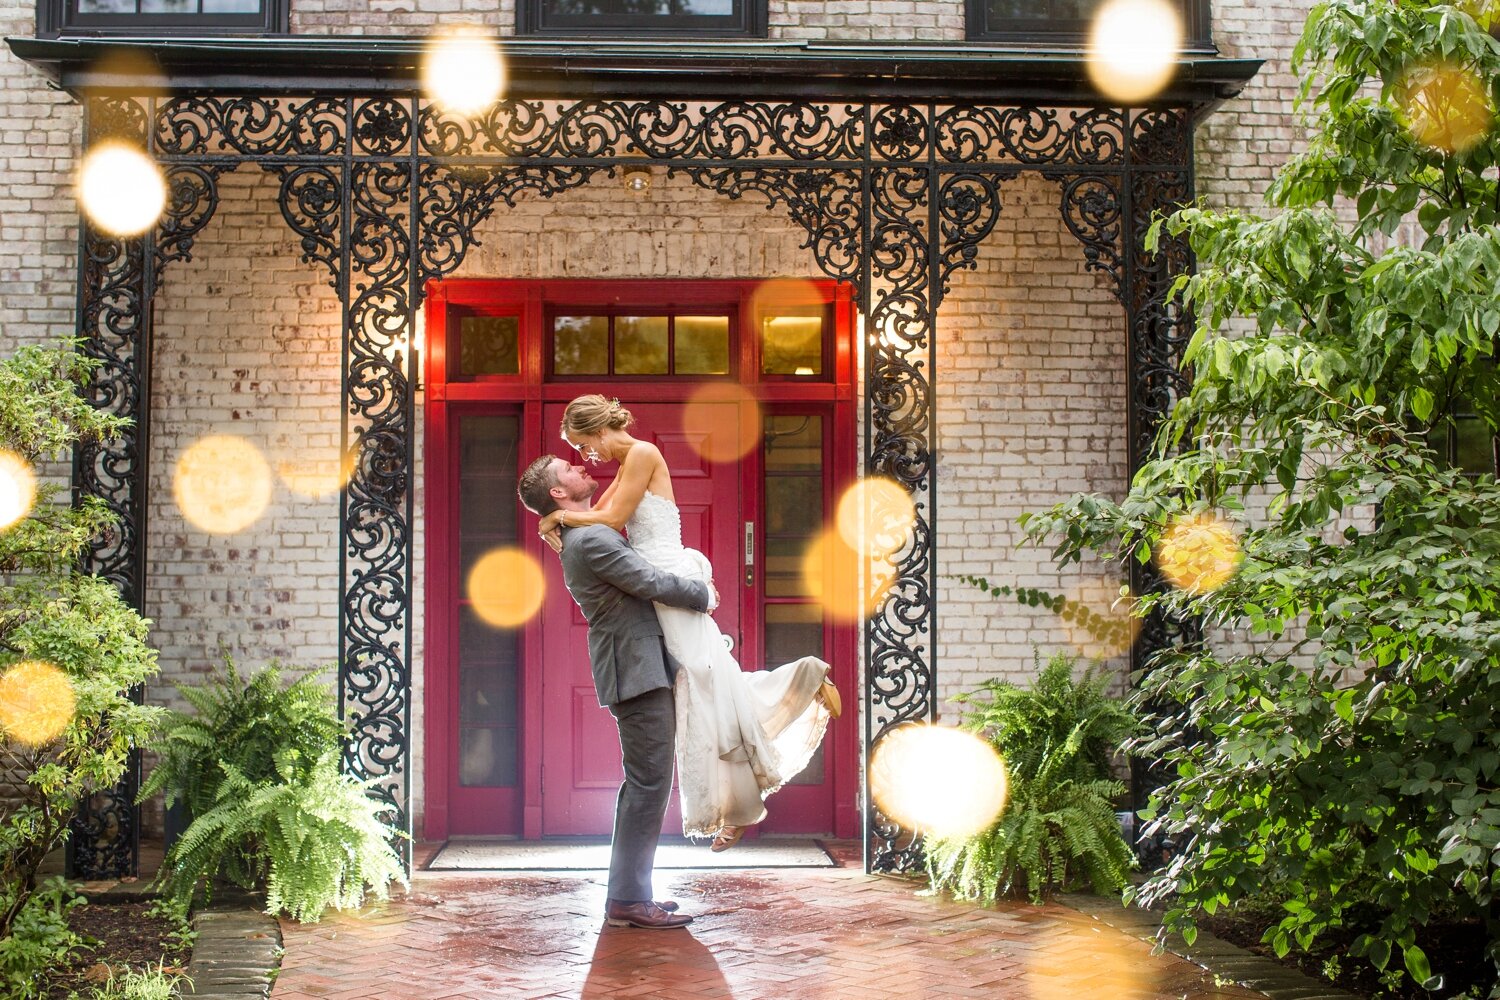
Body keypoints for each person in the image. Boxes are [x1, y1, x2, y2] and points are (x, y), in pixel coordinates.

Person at [535, 394, 839, 853]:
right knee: (707, 685)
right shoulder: (623, 468)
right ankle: (797, 691)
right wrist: (562, 518)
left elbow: (611, 520)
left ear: (598, 429)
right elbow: (604, 526)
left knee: (706, 687)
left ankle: (740, 802)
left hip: (668, 579)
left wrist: (557, 515)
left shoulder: (642, 454)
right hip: (657, 586)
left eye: (582, 444)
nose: (585, 457)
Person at [518, 453, 715, 930]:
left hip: (640, 663)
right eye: (569, 469)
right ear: (558, 493)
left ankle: (632, 892)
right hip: (635, 667)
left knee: (645, 782)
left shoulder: (585, 529)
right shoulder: (589, 541)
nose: (581, 468)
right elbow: (646, 581)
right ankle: (627, 898)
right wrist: (700, 592)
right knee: (648, 783)